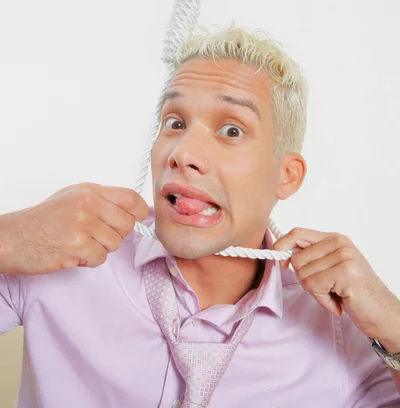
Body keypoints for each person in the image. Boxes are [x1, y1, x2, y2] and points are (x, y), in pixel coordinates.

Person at [0, 24, 399, 408]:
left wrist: (394, 325)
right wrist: (9, 238)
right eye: (175, 123)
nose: (183, 153)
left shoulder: (338, 329)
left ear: (286, 176)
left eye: (231, 131)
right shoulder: (58, 252)